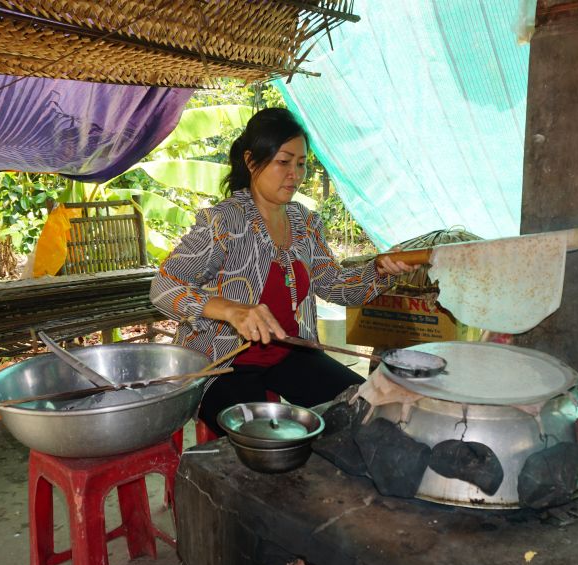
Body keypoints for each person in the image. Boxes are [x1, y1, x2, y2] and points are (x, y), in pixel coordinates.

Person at [150, 107, 412, 433]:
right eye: (283, 162)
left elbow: (333, 285)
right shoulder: (224, 222)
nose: (295, 174)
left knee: (367, 411)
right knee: (268, 438)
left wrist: (381, 270)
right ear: (251, 161)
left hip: (289, 352)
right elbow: (164, 285)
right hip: (225, 364)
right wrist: (232, 311)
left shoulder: (305, 222)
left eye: (301, 164)